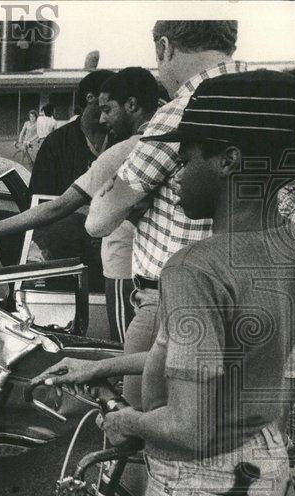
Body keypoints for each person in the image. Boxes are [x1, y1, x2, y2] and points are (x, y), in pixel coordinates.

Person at [34, 69, 295, 496]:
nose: (178, 173)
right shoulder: (290, 245)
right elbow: (214, 359)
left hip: (199, 489)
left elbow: (187, 424)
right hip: (259, 464)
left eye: (187, 158)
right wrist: (101, 367)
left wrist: (122, 421)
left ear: (228, 160)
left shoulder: (194, 269)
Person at [85, 20, 242, 410]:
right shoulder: (261, 98)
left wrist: (124, 194)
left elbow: (99, 220)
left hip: (168, 299)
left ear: (165, 47)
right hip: (241, 296)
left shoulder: (182, 110)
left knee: (137, 437)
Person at [0, 67, 160, 342]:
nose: (102, 117)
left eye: (108, 109)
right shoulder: (165, 142)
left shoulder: (123, 151)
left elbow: (57, 208)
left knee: (125, 350)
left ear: (132, 105)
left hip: (125, 271)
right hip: (154, 273)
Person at [27, 69, 115, 292]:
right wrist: (45, 247)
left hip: (111, 253)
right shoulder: (56, 143)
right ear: (91, 98)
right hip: (65, 254)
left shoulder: (121, 139)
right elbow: (39, 200)